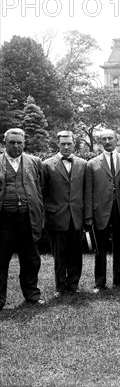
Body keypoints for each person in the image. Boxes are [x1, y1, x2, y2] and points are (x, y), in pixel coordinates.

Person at [0, 128, 45, 309]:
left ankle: (32, 295)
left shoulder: (34, 162)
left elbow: (41, 187)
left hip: (28, 219)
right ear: (5, 143)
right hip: (4, 221)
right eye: (12, 142)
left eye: (19, 142)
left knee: (31, 260)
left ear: (24, 143)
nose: (16, 146)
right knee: (1, 260)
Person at [42, 131, 86, 296]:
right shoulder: (47, 165)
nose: (66, 146)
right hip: (56, 216)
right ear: (57, 144)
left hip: (76, 216)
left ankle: (73, 285)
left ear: (74, 144)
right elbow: (43, 191)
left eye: (69, 143)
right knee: (59, 255)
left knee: (76, 254)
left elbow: (86, 191)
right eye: (63, 144)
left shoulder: (83, 164)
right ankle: (60, 287)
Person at [85, 129, 120, 292]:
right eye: (104, 139)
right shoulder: (92, 164)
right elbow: (88, 190)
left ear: (117, 140)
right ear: (100, 142)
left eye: (111, 138)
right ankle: (100, 282)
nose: (108, 141)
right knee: (100, 247)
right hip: (100, 210)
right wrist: (88, 214)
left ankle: (119, 279)